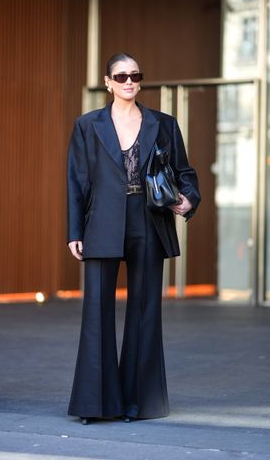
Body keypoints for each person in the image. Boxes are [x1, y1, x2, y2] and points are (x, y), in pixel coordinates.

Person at [66, 53, 200, 424]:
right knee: (97, 312)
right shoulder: (87, 125)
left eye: (135, 75)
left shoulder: (164, 124)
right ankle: (96, 403)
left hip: (149, 219)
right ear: (108, 82)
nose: (129, 81)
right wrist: (74, 231)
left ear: (140, 81)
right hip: (101, 223)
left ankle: (140, 402)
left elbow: (184, 171)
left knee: (145, 312)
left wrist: (189, 198)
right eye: (121, 76)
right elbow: (76, 180)